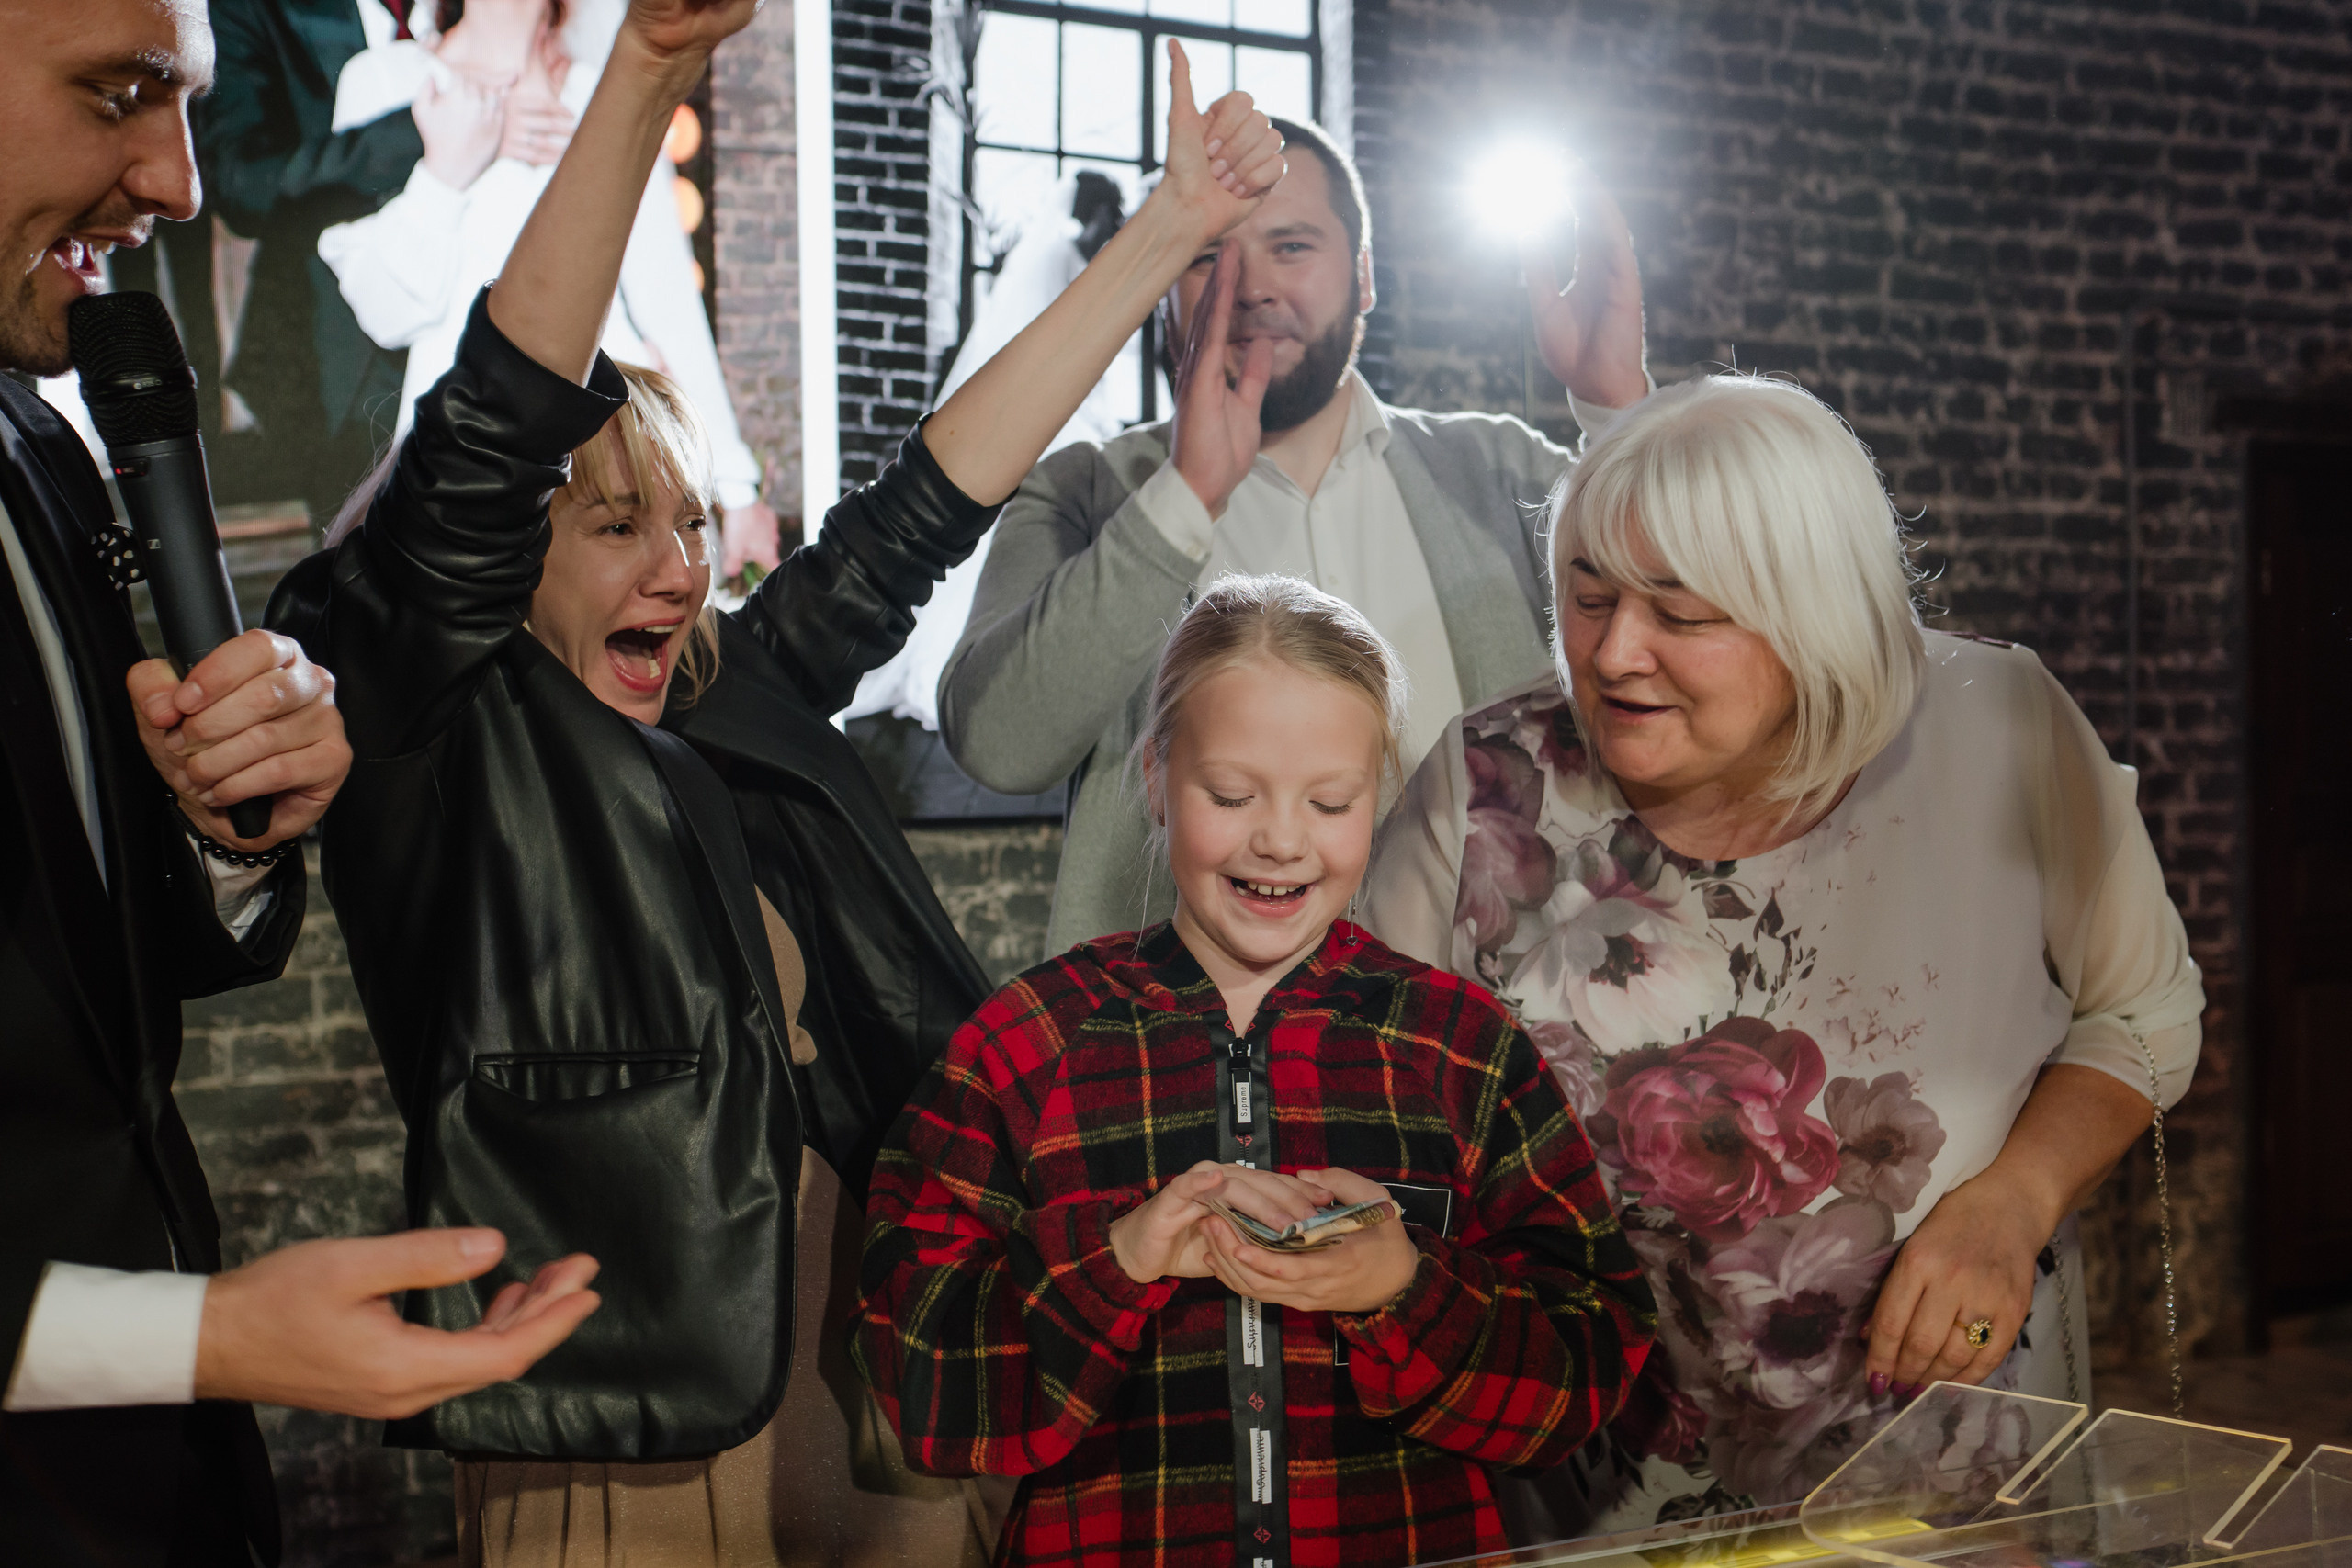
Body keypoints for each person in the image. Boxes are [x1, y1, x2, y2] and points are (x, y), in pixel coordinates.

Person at [266, 0, 1287, 1552]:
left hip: (868, 1366)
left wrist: (1168, 232)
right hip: (630, 1411)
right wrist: (647, 77)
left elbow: (926, 501)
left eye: (685, 526)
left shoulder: (723, 704)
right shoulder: (439, 747)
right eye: (617, 530)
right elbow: (484, 442)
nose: (677, 572)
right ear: (495, 572)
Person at [1358, 373, 2205, 1531]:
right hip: (1606, 1488)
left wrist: (2015, 1198)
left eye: (1680, 614)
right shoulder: (1480, 790)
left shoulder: (2000, 728)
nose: (1613, 655)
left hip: (1957, 1482)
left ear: (1812, 610)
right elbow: (1370, 1102)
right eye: (1588, 599)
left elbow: (2146, 1009)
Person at [0, 1, 601, 1559]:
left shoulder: (39, 451)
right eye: (118, 93)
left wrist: (225, 831)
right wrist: (200, 1339)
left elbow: (97, 981)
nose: (183, 183)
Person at [856, 574, 1657, 1568]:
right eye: (1231, 796)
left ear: (1381, 793)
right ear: (1155, 777)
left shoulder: (1461, 1047)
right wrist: (1118, 1261)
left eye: (1330, 801)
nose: (1280, 839)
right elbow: (914, 1377)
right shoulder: (1026, 1044)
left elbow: (1588, 1370)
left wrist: (1408, 1287)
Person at [939, 121, 1653, 952]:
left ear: (1364, 277)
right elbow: (999, 742)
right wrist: (1182, 498)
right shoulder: (1085, 490)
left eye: (1292, 246)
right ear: (1161, 285)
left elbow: (1693, 636)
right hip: (1195, 1057)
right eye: (1208, 253)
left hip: (1482, 1035)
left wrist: (1619, 419)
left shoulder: (1505, 472)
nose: (1248, 287)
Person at [314, 0, 785, 579]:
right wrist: (446, 171)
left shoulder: (603, 91)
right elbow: (384, 312)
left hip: (619, 447)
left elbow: (667, 303)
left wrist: (735, 486)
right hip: (468, 456)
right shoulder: (387, 79)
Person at [197, 0, 447, 517]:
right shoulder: (252, 10)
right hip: (335, 351)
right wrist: (418, 135)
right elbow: (241, 185)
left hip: (478, 322)